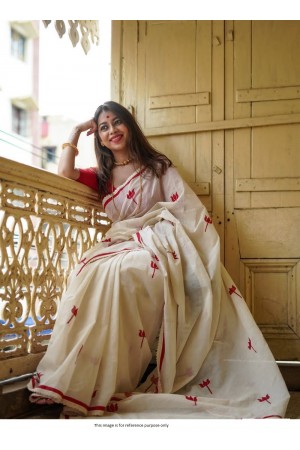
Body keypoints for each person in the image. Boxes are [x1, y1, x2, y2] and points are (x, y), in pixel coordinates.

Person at [28, 101, 290, 419]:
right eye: (103, 127)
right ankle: (80, 380)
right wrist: (74, 132)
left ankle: (114, 379)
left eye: (116, 122)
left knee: (127, 271)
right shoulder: (102, 176)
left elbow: (185, 207)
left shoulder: (157, 166)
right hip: (119, 244)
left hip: (159, 244)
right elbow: (65, 172)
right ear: (97, 137)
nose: (111, 131)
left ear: (130, 125)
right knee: (92, 272)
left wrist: (180, 242)